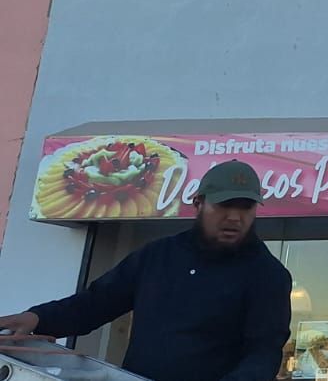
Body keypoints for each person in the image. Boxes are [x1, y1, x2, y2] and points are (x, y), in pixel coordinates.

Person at [0, 160, 291, 381]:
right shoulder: (158, 255)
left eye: (245, 208)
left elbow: (263, 352)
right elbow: (94, 304)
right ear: (198, 203)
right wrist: (38, 318)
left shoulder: (267, 275)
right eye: (224, 205)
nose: (234, 217)